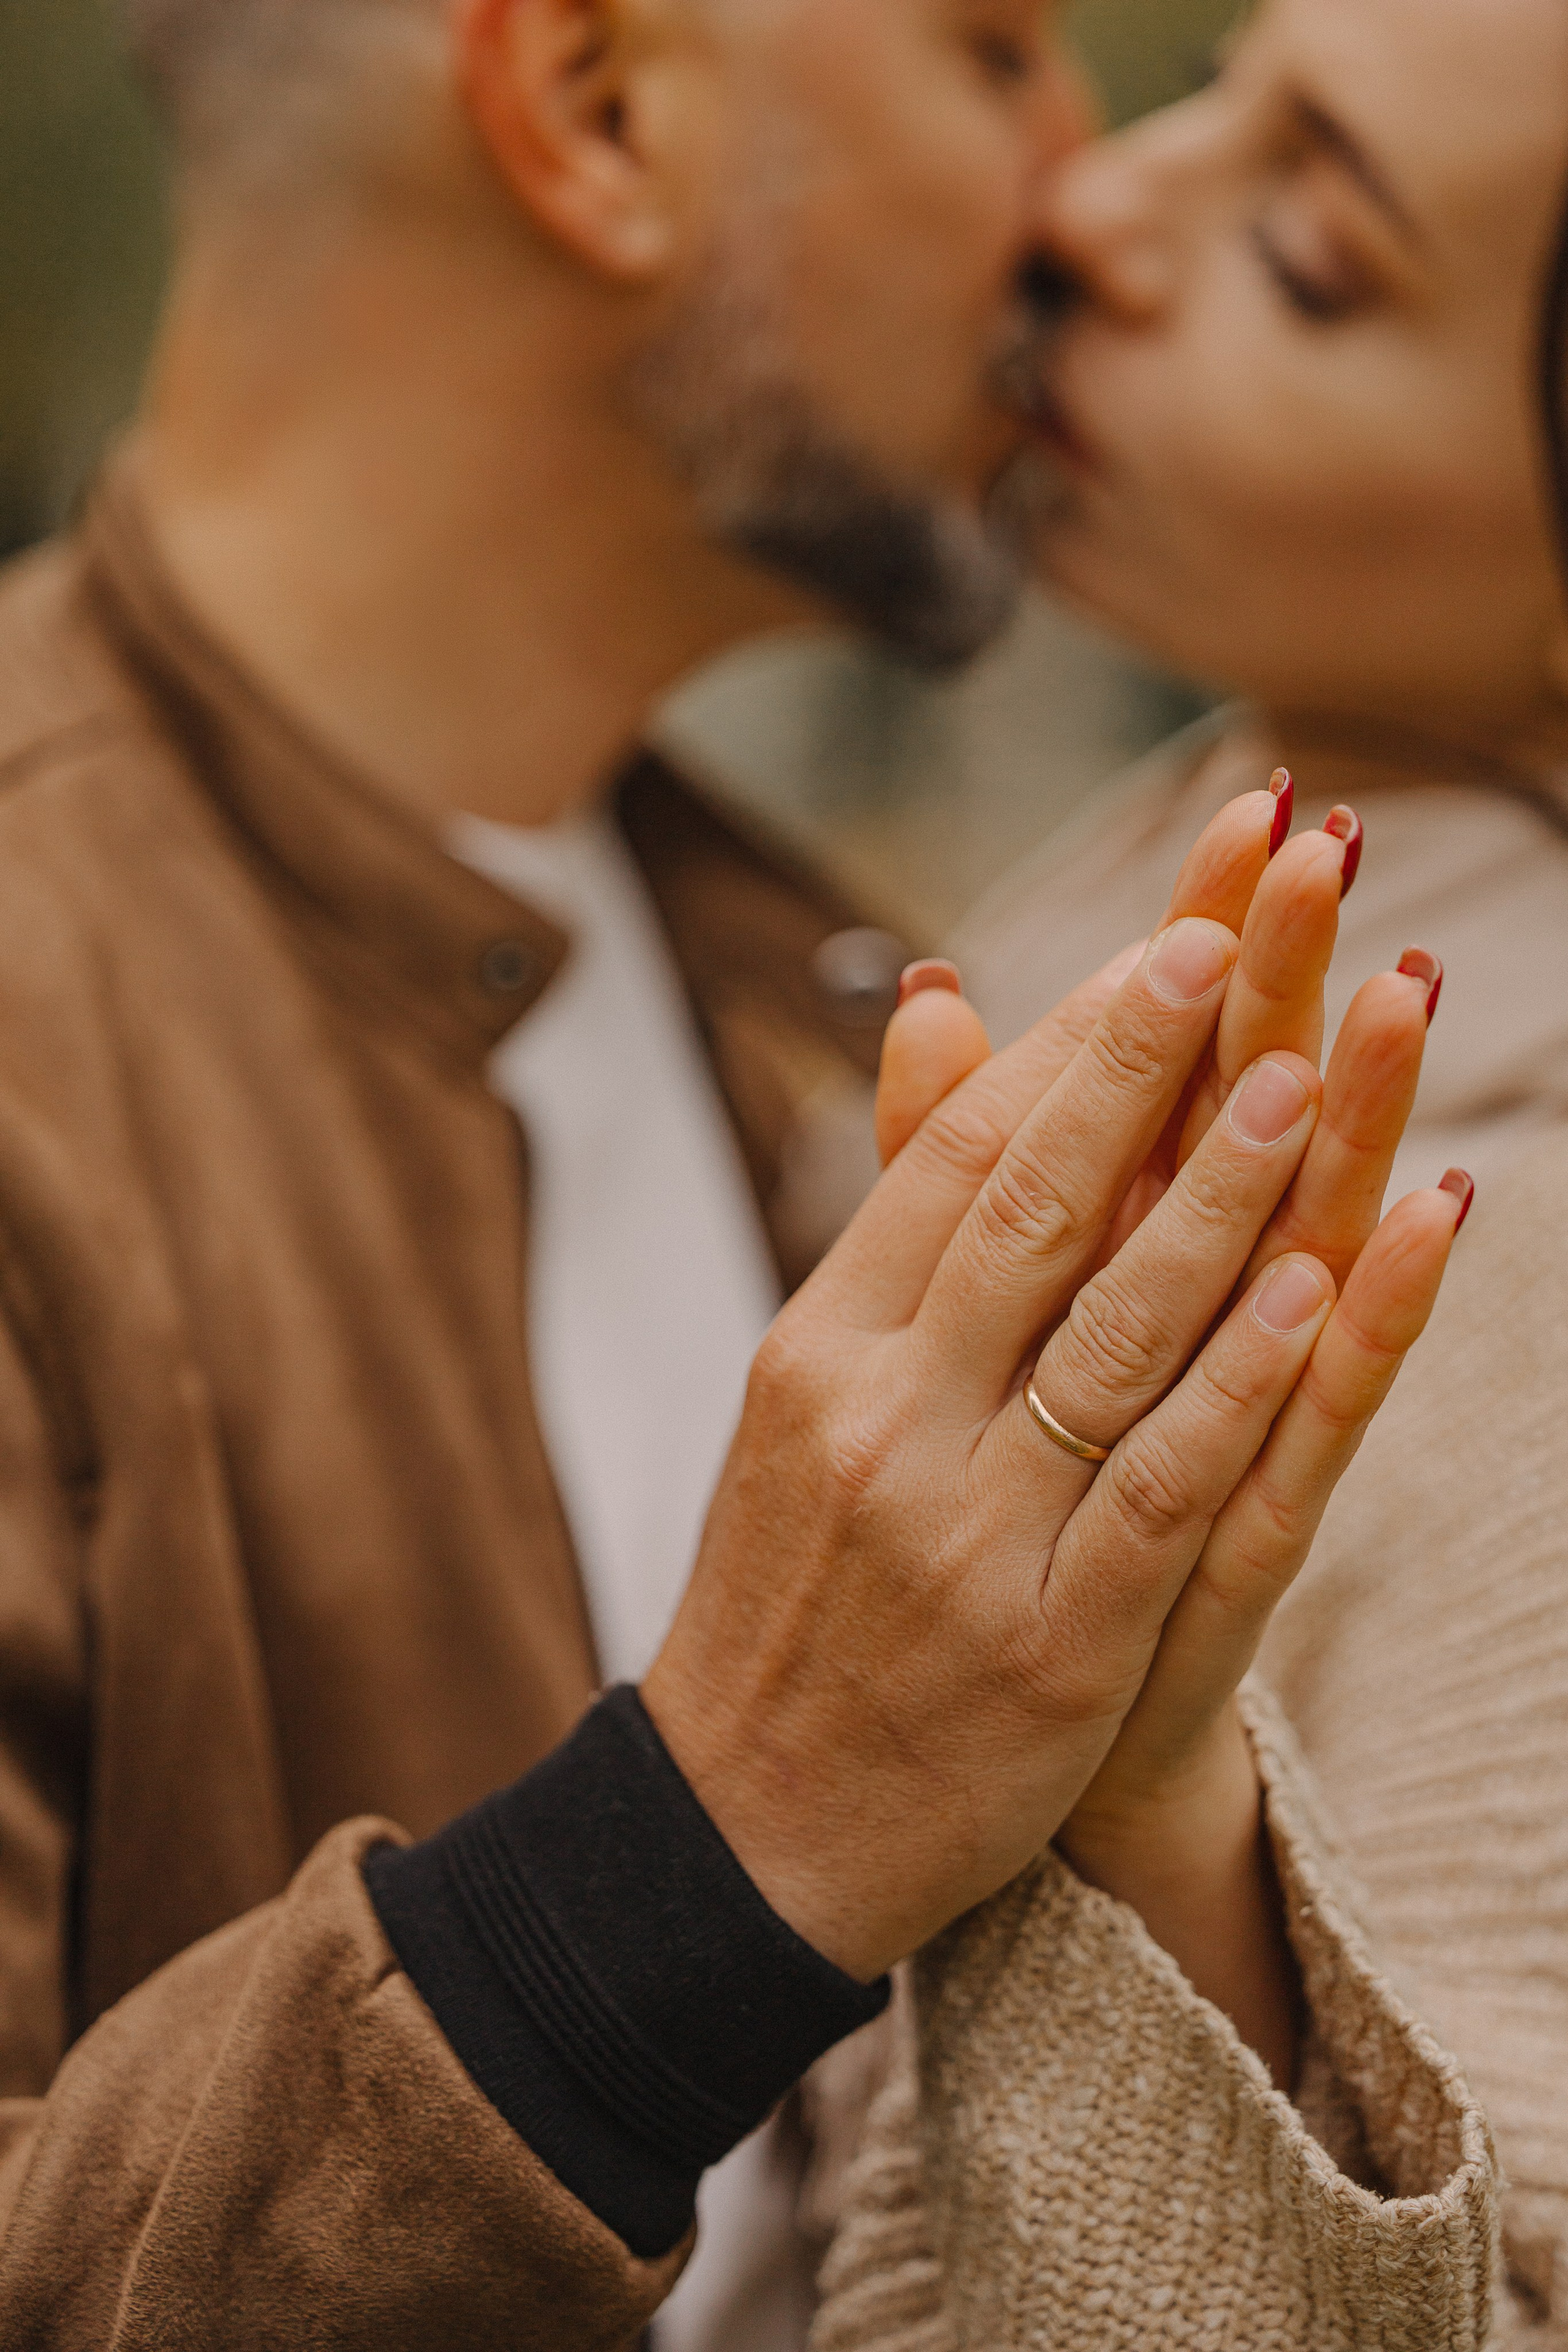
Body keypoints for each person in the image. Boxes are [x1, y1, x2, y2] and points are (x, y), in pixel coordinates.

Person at [0, 2, 1490, 2346]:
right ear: (599, 111)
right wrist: (710, 1846)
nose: (1080, 192)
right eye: (995, 46)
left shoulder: (826, 1000)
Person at [818, 0, 1568, 2339]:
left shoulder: (1504, 1278)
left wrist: (1145, 1814)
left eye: (1309, 254)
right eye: (1215, 91)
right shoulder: (1100, 906)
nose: (1097, 203)